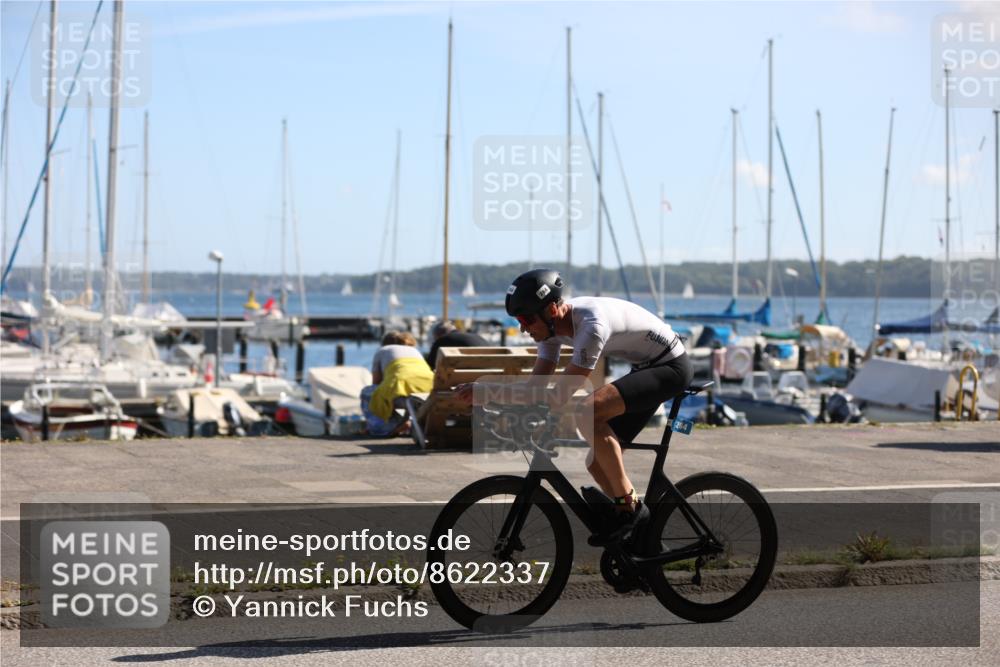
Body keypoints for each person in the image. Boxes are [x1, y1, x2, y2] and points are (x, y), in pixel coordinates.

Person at [457, 268, 692, 544]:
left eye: (526, 319)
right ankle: (641, 541)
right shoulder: (549, 333)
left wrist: (488, 392)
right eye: (518, 320)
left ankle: (632, 510)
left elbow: (559, 396)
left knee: (589, 411)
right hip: (645, 366)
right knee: (596, 464)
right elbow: (535, 389)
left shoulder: (591, 326)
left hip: (671, 367)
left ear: (552, 310)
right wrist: (491, 396)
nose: (523, 327)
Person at [362, 331, 433, 437]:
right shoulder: (415, 351)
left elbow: (376, 383)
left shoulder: (382, 351)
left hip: (402, 390)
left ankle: (387, 428)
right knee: (399, 391)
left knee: (367, 393)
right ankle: (403, 423)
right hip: (428, 391)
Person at [425, 320, 489, 369]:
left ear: (438, 335)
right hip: (492, 377)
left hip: (472, 380)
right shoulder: (477, 336)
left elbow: (429, 367)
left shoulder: (443, 340)